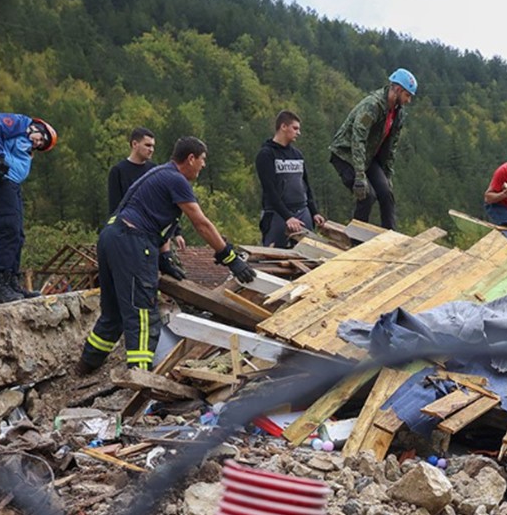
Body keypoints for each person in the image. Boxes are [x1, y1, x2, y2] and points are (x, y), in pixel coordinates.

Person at [77, 137, 255, 374]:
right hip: (132, 241)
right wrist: (229, 257)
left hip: (112, 236)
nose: (203, 166)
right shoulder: (176, 180)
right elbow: (201, 223)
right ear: (190, 158)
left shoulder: (159, 174)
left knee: (114, 313)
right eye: (202, 160)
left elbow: (159, 222)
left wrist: (165, 257)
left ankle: (87, 365)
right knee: (142, 312)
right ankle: (140, 376)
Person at [0, 112, 57, 303]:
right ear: (38, 127)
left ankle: (13, 282)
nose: (38, 144)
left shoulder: (26, 144)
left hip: (11, 184)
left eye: (41, 146)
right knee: (8, 229)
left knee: (18, 234)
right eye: (41, 139)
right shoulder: (18, 124)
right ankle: (1, 285)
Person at [328, 68, 417, 230]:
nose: (408, 100)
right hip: (345, 155)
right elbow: (358, 139)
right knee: (367, 195)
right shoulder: (372, 105)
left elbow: (391, 148)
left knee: (386, 195)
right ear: (397, 90)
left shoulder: (398, 114)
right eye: (407, 95)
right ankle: (355, 239)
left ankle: (390, 237)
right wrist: (360, 176)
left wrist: (387, 176)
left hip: (368, 157)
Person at [107, 127, 187, 282]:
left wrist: (177, 232)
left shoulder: (155, 170)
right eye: (147, 145)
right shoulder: (118, 171)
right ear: (134, 144)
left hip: (155, 232)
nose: (151, 150)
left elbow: (166, 205)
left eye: (153, 146)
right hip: (130, 232)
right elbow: (115, 206)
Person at [256, 110, 325, 248]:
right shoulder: (266, 154)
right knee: (273, 256)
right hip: (277, 214)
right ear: (283, 127)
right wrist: (287, 217)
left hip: (302, 211)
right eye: (295, 128)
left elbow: (306, 185)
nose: (298, 132)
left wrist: (314, 212)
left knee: (308, 254)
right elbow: (270, 190)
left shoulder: (297, 154)